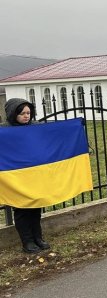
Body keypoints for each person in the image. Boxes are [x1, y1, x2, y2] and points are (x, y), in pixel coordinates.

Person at [3, 98, 50, 253]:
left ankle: (38, 238)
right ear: (13, 114)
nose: (26, 116)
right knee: (22, 211)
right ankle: (27, 242)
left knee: (36, 208)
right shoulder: (5, 131)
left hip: (34, 175)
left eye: (28, 113)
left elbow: (53, 135)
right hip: (16, 178)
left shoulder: (36, 128)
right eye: (22, 113)